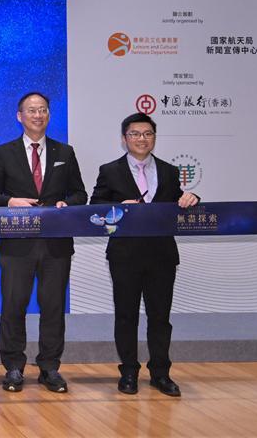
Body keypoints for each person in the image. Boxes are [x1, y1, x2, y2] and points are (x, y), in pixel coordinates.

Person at [0, 92, 87, 393]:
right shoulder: (4, 152)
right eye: (31, 110)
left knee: (53, 307)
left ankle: (50, 367)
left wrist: (67, 204)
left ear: (49, 115)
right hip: (17, 243)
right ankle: (13, 367)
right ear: (20, 116)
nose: (38, 115)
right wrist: (10, 201)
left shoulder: (64, 152)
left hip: (56, 244)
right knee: (13, 305)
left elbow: (80, 193)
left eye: (42, 110)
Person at [90, 112, 199, 397]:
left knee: (160, 317)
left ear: (154, 137)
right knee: (126, 316)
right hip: (124, 255)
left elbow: (180, 201)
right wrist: (119, 206)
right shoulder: (109, 170)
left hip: (162, 255)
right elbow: (95, 207)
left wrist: (192, 198)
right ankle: (128, 371)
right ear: (124, 138)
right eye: (135, 134)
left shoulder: (169, 171)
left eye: (148, 133)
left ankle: (161, 373)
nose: (142, 139)